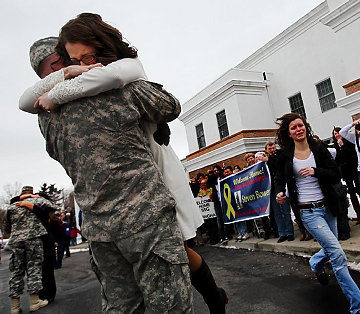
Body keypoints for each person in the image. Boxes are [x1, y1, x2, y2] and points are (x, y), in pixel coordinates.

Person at [21, 28, 226, 314]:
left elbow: (57, 151)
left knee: (122, 304)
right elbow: (168, 106)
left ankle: (215, 296)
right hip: (145, 213)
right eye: (65, 61)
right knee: (169, 300)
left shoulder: (45, 116)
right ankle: (215, 297)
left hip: (100, 225)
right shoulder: (116, 87)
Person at [274, 113, 360, 314]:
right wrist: (279, 192)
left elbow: (335, 174)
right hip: (308, 211)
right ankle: (358, 306)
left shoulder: (318, 148)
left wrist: (315, 171)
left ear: (306, 126)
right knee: (337, 254)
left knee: (333, 245)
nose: (298, 129)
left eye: (300, 125)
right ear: (289, 133)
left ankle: (315, 261)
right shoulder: (285, 155)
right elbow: (279, 178)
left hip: (328, 207)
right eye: (293, 127)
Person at [3, 186, 54, 313]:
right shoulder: (37, 201)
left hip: (16, 242)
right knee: (34, 269)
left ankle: (15, 306)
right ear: (31, 192)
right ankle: (34, 302)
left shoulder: (11, 207)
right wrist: (35, 198)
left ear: (21, 193)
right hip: (33, 239)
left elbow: (6, 229)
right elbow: (52, 206)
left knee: (17, 271)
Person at [332, 127, 360, 231]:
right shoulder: (335, 146)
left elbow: (352, 154)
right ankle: (359, 214)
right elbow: (337, 159)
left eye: (338, 133)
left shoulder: (348, 141)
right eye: (335, 134)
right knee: (352, 193)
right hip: (346, 173)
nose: (337, 135)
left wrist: (343, 146)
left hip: (354, 170)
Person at [265, 141, 294, 242]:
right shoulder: (263, 162)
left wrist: (268, 159)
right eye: (270, 149)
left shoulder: (279, 155)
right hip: (271, 189)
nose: (272, 150)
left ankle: (290, 232)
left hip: (281, 187)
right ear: (266, 150)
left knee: (286, 211)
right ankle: (282, 233)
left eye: (273, 148)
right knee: (277, 213)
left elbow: (278, 165)